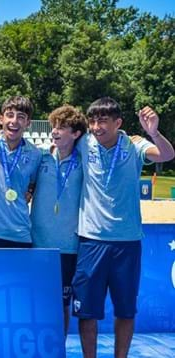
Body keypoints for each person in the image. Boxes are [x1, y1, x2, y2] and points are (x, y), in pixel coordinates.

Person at [72, 97, 174, 358]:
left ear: (118, 123)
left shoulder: (135, 144)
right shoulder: (84, 142)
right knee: (86, 311)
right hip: (91, 241)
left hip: (127, 243)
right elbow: (59, 135)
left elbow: (167, 154)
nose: (96, 126)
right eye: (92, 120)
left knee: (125, 310)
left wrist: (153, 132)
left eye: (103, 121)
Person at [29, 105, 87, 334]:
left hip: (68, 247)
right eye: (54, 126)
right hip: (37, 243)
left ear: (76, 134)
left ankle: (57, 349)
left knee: (61, 305)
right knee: (36, 301)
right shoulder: (41, 157)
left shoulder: (84, 163)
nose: (54, 131)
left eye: (62, 128)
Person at [0, 96, 42, 247]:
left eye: (21, 117)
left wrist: (30, 190)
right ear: (0, 119)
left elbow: (34, 181)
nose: (14, 121)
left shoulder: (35, 154)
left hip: (19, 233)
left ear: (28, 123)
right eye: (10, 115)